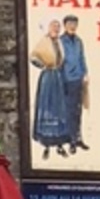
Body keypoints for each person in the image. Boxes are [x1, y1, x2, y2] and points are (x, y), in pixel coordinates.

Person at [30, 18, 69, 158]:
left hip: (57, 76)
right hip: (48, 77)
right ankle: (46, 144)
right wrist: (43, 65)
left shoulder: (59, 42)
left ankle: (59, 144)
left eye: (58, 27)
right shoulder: (44, 41)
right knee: (47, 107)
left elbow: (62, 58)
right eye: (54, 26)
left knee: (59, 109)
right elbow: (33, 56)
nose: (56, 29)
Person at [60, 14, 89, 153]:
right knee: (69, 111)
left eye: (74, 24)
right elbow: (58, 61)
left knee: (78, 111)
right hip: (66, 79)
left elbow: (81, 58)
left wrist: (85, 73)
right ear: (65, 25)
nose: (72, 26)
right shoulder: (61, 41)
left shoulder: (78, 41)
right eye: (70, 24)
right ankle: (70, 140)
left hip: (78, 79)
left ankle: (78, 138)